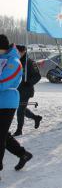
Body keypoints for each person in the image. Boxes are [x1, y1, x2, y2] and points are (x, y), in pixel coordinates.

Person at [0, 35, 33, 180]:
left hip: (7, 103)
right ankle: (23, 154)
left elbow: (4, 82)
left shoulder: (14, 62)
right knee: (2, 134)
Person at [13, 45, 42, 136]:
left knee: (20, 110)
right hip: (16, 89)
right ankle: (36, 118)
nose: (17, 54)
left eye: (18, 52)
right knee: (22, 109)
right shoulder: (15, 61)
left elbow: (38, 76)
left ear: (23, 52)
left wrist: (29, 83)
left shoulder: (29, 62)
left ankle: (19, 130)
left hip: (26, 90)